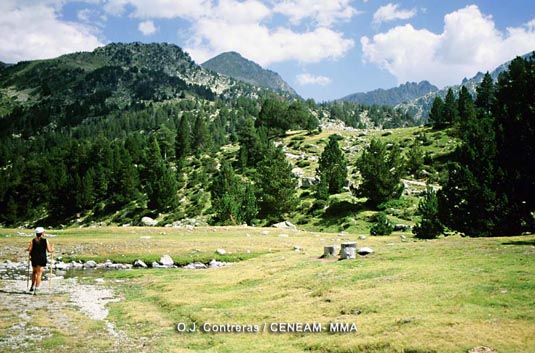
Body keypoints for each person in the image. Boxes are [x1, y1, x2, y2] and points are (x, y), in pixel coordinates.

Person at [28, 227, 54, 295]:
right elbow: (49, 250)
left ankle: (32, 286)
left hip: (34, 258)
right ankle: (37, 289)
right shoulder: (45, 240)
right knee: (39, 273)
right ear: (42, 233)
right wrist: (53, 249)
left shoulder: (33, 240)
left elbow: (29, 249)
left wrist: (29, 251)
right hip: (41, 258)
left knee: (34, 272)